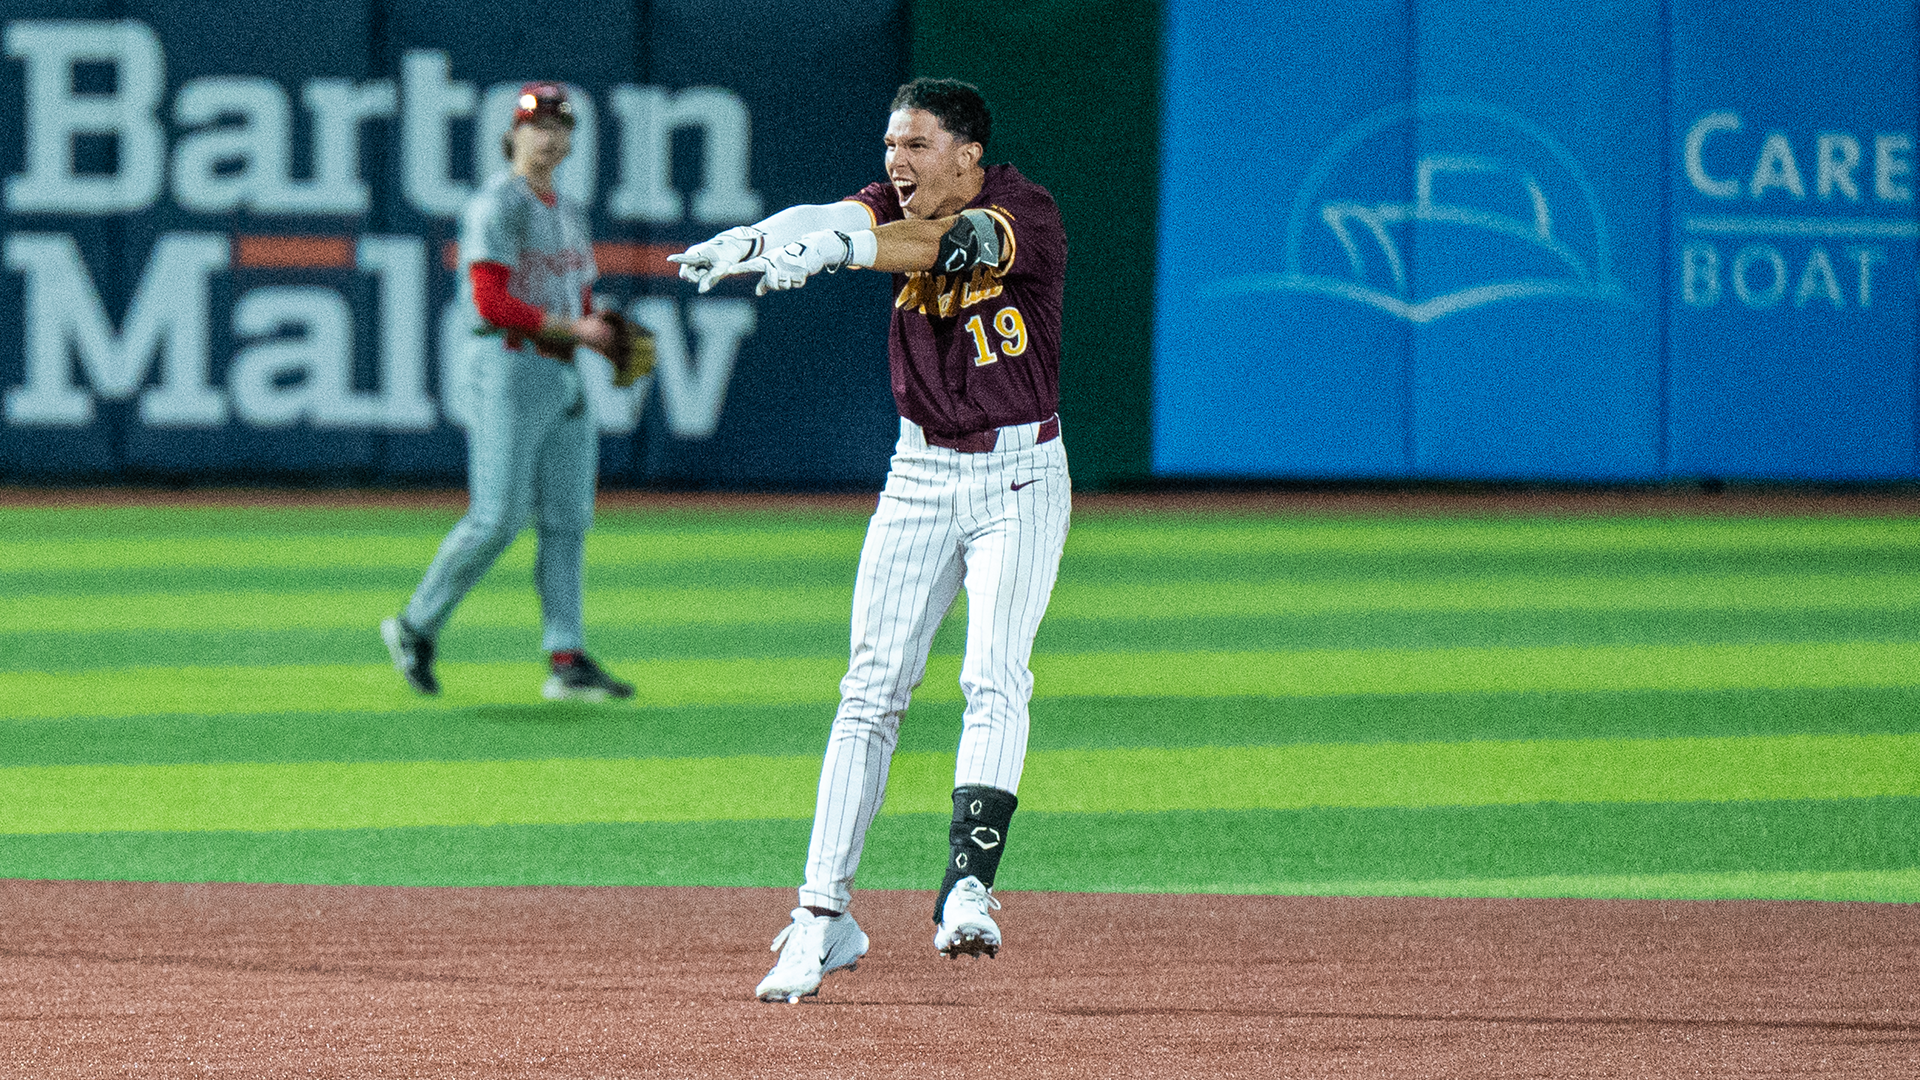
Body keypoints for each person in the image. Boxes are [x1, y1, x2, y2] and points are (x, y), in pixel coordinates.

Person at [671, 77, 1070, 1003]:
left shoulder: (1023, 212)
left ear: (968, 152)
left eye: (917, 145)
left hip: (1019, 475)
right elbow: (834, 211)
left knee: (993, 674)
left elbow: (942, 247)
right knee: (869, 690)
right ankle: (822, 918)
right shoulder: (890, 200)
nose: (898, 162)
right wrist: (761, 239)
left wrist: (841, 249)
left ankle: (968, 885)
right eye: (892, 145)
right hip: (920, 472)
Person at [382, 82, 635, 703]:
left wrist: (595, 330)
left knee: (569, 518)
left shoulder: (568, 211)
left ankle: (567, 657)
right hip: (506, 367)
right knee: (497, 517)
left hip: (560, 369)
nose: (549, 136)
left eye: (560, 125)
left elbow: (574, 298)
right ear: (513, 136)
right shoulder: (497, 205)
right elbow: (489, 301)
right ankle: (415, 626)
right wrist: (575, 328)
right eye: (537, 124)